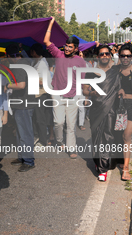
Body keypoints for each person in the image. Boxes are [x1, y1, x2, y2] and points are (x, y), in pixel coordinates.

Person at [44, 17, 86, 159]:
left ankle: (71, 148)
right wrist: (50, 24)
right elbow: (46, 42)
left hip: (73, 97)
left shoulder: (80, 61)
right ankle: (60, 141)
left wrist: (82, 98)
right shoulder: (58, 54)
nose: (67, 48)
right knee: (58, 122)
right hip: (57, 94)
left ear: (75, 48)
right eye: (66, 45)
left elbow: (82, 80)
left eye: (70, 46)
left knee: (70, 124)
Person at [83, 45, 120, 182]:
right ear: (97, 56)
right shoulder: (91, 72)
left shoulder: (116, 70)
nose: (104, 56)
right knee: (96, 136)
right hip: (96, 109)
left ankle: (103, 169)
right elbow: (84, 90)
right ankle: (99, 162)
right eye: (101, 54)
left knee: (107, 136)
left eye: (106, 54)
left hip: (111, 108)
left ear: (110, 55)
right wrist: (92, 93)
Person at [117, 43, 132, 180]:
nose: (125, 58)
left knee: (127, 135)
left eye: (128, 56)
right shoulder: (115, 71)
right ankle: (122, 162)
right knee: (120, 135)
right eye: (123, 55)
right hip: (119, 106)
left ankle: (126, 169)